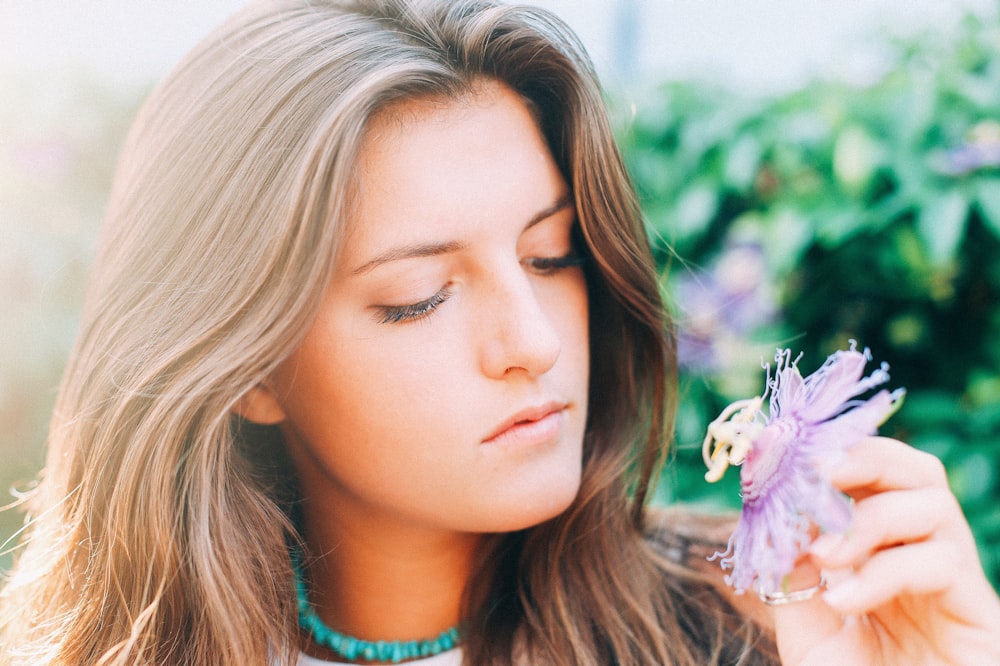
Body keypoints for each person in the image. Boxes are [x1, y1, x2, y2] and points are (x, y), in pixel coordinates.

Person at [2, 1, 998, 664]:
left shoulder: (767, 620)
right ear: (248, 363)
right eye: (420, 296)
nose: (534, 342)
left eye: (551, 256)